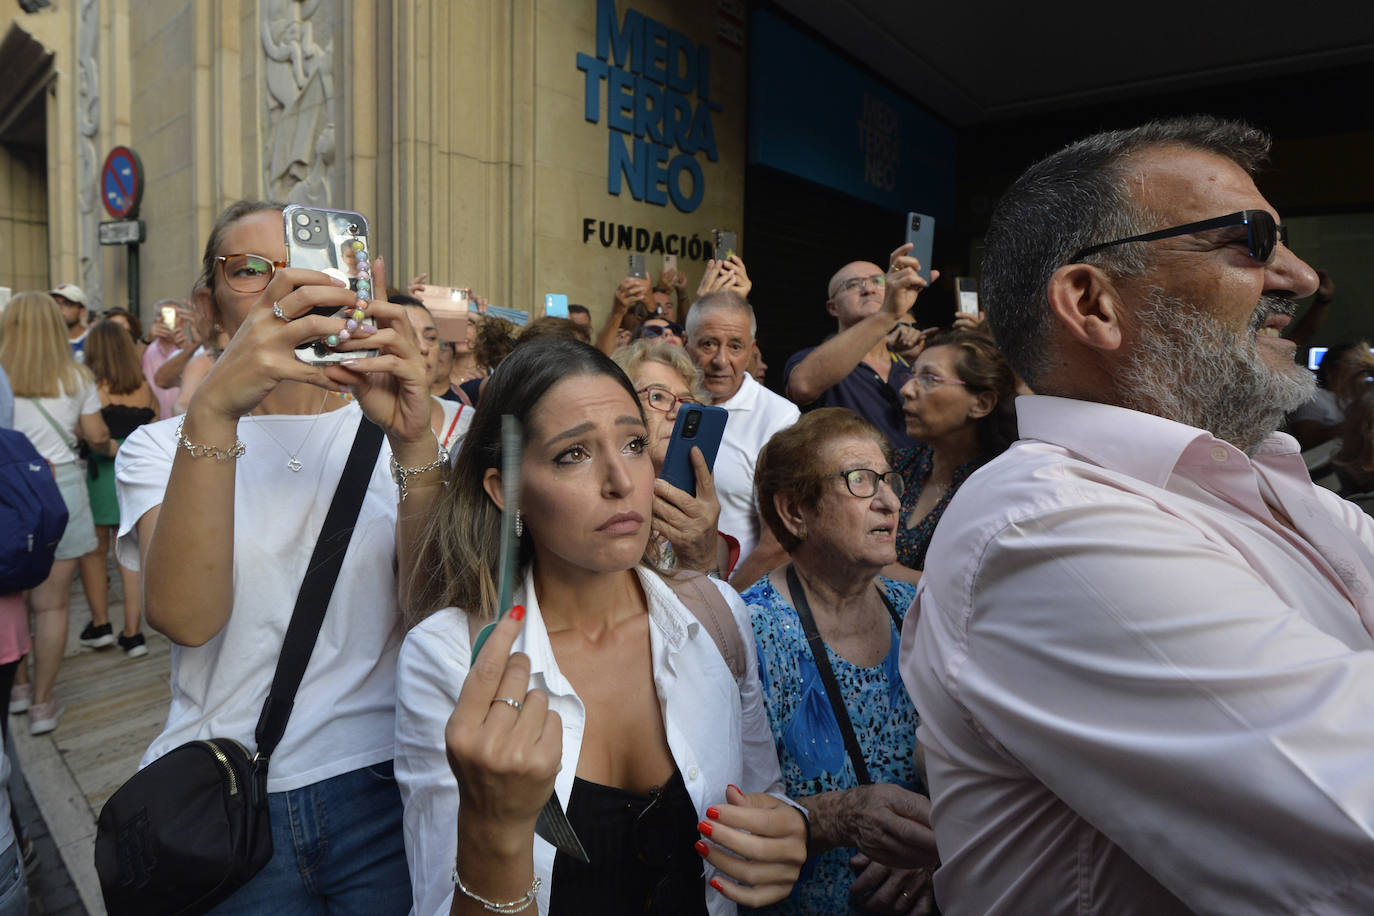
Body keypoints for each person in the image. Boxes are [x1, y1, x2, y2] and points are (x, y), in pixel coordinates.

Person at [904, 115, 1374, 915]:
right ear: (1093, 302)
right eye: (1252, 241)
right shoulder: (1047, 527)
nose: (1302, 279)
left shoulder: (1261, 479)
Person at [395, 337, 808, 916]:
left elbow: (763, 799)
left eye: (634, 443)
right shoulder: (448, 658)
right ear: (505, 489)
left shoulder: (715, 615)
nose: (621, 480)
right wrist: (495, 829)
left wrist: (791, 832)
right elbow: (442, 900)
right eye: (573, 455)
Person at [115, 199, 440, 913]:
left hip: (387, 782)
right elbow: (186, 618)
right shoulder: (157, 449)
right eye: (251, 270)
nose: (284, 288)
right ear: (208, 306)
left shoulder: (408, 425)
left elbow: (432, 613)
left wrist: (417, 447)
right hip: (231, 795)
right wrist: (211, 410)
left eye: (306, 268)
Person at [744, 408, 937, 915]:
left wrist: (932, 851)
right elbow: (720, 809)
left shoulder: (914, 614)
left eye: (889, 481)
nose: (890, 502)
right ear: (794, 512)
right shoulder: (750, 633)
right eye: (860, 481)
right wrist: (838, 817)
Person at [0, 292, 115, 734]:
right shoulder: (76, 376)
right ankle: (43, 706)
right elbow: (95, 434)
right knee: (52, 606)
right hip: (59, 488)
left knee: (12, 599)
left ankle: (18, 688)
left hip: (7, 492)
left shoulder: (2, 373)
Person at [684, 290, 799, 590]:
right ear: (686, 343)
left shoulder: (778, 418)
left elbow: (777, 543)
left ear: (751, 350)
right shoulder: (668, 402)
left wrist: (724, 604)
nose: (721, 360)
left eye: (735, 346)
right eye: (708, 344)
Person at [893, 330, 1017, 572]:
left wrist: (887, 572)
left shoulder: (1001, 490)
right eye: (912, 374)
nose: (906, 389)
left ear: (981, 404)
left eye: (929, 379)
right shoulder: (897, 467)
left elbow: (978, 593)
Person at [611, 339, 737, 577]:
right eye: (657, 397)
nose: (678, 411)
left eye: (686, 402)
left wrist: (703, 558)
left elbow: (711, 613)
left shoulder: (703, 530)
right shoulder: (603, 505)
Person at [784, 254, 935, 449]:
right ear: (833, 307)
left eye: (878, 281)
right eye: (853, 284)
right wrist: (887, 314)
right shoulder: (811, 359)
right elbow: (802, 387)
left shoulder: (908, 364)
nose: (869, 289)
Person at [82, 319, 159, 657]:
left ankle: (101, 624)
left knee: (96, 554)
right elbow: (157, 426)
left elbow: (88, 434)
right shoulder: (144, 386)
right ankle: (133, 634)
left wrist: (114, 447)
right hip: (136, 474)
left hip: (101, 474)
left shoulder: (92, 389)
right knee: (129, 554)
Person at [393, 294, 472, 456]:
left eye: (431, 338)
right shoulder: (341, 425)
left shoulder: (469, 421)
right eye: (409, 335)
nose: (424, 348)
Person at [50, 283, 89, 362]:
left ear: (82, 312)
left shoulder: (93, 340)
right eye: (55, 303)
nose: (59, 308)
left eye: (67, 304)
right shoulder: (46, 341)